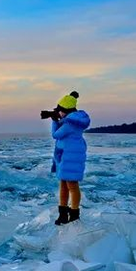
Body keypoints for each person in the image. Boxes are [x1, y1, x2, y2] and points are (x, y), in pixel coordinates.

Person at [45, 91, 91, 225]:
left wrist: (54, 120)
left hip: (70, 157)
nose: (58, 113)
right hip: (67, 156)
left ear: (66, 111)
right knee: (64, 185)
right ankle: (64, 214)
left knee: (71, 185)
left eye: (60, 110)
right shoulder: (72, 122)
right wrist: (57, 118)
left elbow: (56, 134)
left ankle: (74, 215)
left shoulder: (70, 124)